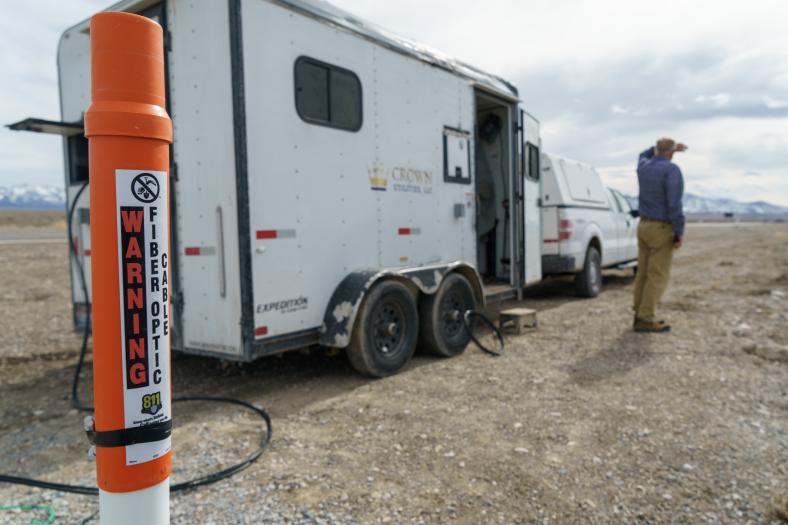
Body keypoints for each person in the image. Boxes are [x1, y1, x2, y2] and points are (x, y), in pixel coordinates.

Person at [632, 137, 686, 333]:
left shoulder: (644, 166)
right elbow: (674, 203)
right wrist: (679, 231)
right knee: (657, 276)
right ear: (671, 153)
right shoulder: (671, 170)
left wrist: (656, 148)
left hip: (643, 226)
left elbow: (642, 155)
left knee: (643, 274)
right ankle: (645, 318)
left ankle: (639, 314)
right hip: (661, 228)